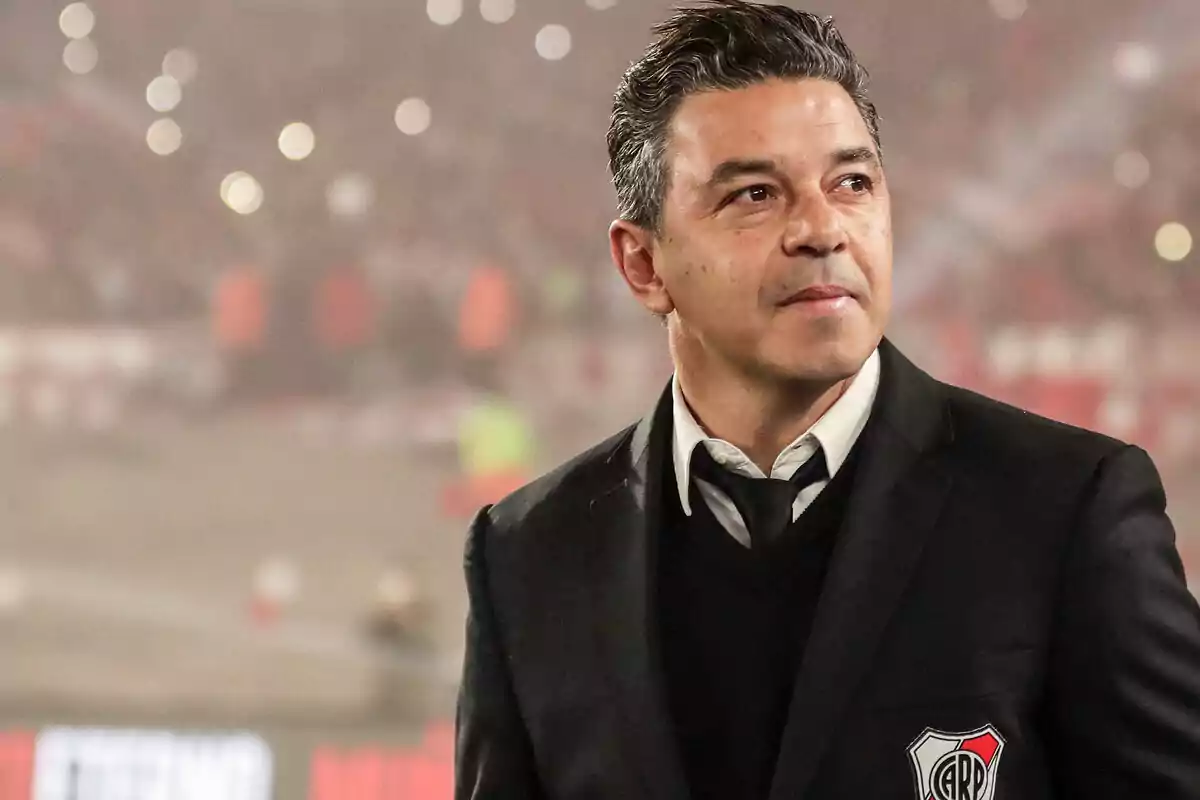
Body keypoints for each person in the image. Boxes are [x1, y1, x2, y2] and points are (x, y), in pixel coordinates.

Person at [455, 2, 1200, 799]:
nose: (822, 229)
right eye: (752, 195)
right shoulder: (528, 556)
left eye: (851, 183)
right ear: (643, 265)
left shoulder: (1067, 513)